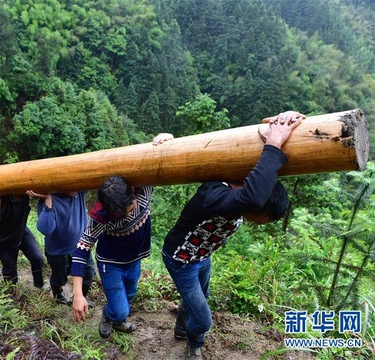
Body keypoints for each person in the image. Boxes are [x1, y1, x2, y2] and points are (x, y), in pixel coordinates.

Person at [162, 111, 305, 359]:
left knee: (199, 297)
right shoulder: (214, 195)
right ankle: (194, 344)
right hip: (181, 260)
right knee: (204, 320)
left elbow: (261, 181)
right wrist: (273, 145)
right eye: (259, 221)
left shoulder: (245, 190)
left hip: (202, 257)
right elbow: (252, 197)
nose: (256, 224)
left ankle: (182, 330)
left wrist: (281, 125)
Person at [71, 133, 174, 339]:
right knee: (121, 310)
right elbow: (81, 249)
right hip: (111, 264)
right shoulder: (101, 217)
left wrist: (167, 138)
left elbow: (158, 160)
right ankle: (109, 316)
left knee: (130, 295)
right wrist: (77, 294)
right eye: (121, 213)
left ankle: (116, 318)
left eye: (129, 207)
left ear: (132, 193)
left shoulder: (144, 191)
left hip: (134, 261)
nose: (128, 213)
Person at [26, 190, 96, 305]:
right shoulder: (49, 199)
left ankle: (79, 298)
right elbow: (46, 229)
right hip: (57, 252)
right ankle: (58, 295)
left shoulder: (79, 192)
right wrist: (48, 202)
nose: (74, 190)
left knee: (88, 276)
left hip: (81, 248)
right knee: (59, 278)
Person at [0, 187, 46, 288]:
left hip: (21, 229)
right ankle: (12, 291)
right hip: (3, 239)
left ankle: (39, 285)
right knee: (10, 270)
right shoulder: (3, 198)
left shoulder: (25, 193)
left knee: (37, 257)